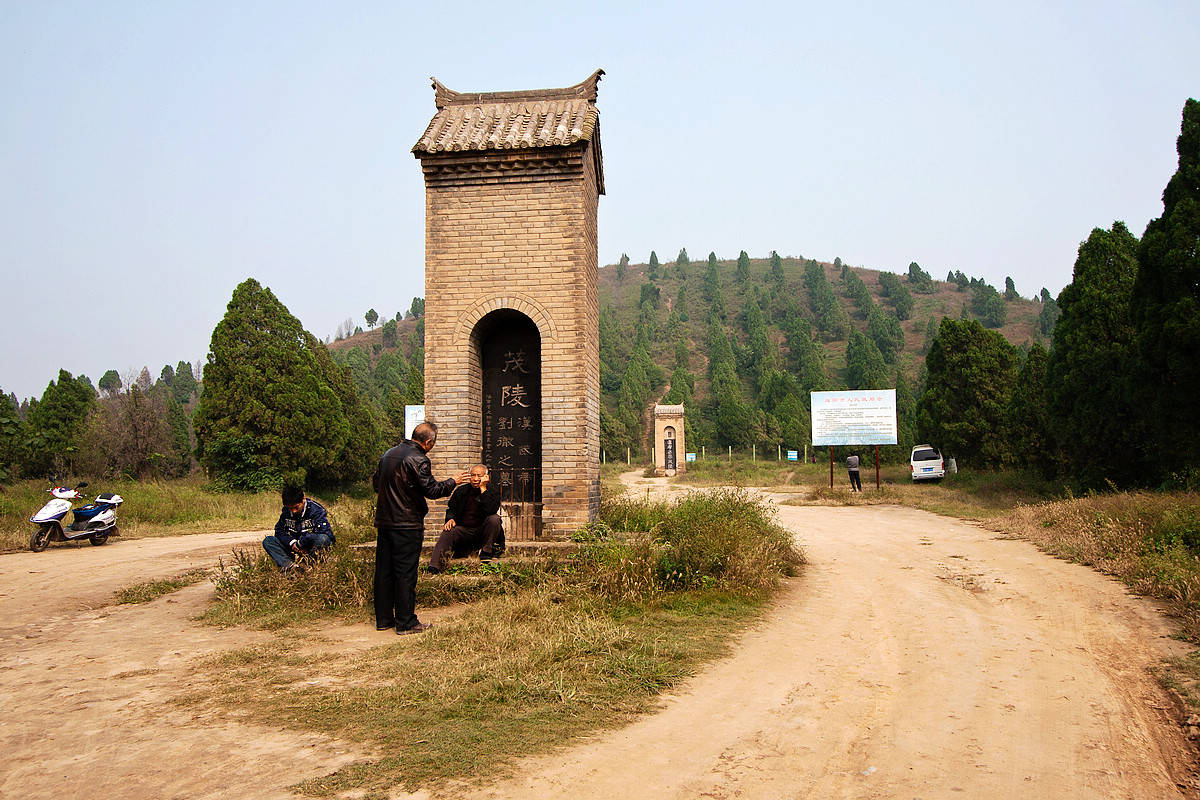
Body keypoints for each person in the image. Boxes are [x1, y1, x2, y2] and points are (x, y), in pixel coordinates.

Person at [372, 422, 470, 635]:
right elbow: (432, 490)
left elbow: (376, 485)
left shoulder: (388, 455)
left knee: (384, 571)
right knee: (405, 572)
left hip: (385, 521)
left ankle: (384, 619)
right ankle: (406, 622)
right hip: (406, 523)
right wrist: (454, 481)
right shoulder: (418, 459)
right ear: (428, 442)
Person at [428, 464, 504, 573]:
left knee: (494, 519)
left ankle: (486, 552)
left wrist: (483, 488)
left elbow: (490, 510)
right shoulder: (461, 491)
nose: (476, 479)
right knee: (448, 530)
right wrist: (451, 518)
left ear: (486, 477)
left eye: (479, 475)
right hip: (464, 530)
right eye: (473, 475)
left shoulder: (492, 491)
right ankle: (434, 566)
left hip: (483, 531)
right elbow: (451, 509)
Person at [262, 486, 334, 573]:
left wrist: (301, 544)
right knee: (268, 541)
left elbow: (325, 533)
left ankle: (309, 566)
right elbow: (279, 530)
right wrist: (292, 543)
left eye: (296, 507)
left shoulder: (317, 510)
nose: (293, 511)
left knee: (323, 539)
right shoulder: (286, 511)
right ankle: (291, 567)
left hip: (311, 548)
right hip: (294, 547)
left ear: (303, 499)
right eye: (290, 508)